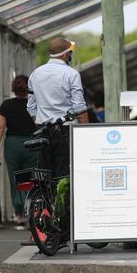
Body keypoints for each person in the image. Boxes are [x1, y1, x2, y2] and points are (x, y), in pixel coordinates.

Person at [27, 38, 89, 177]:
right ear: (67, 55)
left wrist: (41, 123)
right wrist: (86, 133)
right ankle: (63, 199)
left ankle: (44, 198)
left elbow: (31, 108)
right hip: (65, 129)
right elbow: (79, 108)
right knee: (64, 173)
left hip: (42, 128)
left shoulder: (35, 74)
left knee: (45, 172)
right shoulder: (71, 74)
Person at [0, 75, 38, 229]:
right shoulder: (34, 104)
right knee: (30, 177)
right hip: (32, 144)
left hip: (13, 145)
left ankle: (19, 216)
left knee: (15, 179)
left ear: (14, 88)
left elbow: (0, 127)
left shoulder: (6, 105)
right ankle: (33, 212)